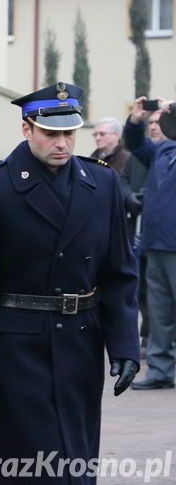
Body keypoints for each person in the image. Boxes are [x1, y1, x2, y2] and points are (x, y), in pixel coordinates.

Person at [0, 82, 140, 483]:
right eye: (50, 133)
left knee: (79, 462)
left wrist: (124, 344)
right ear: (26, 129)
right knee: (35, 468)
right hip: (19, 349)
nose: (62, 143)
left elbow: (119, 272)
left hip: (81, 343)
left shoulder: (102, 183)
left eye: (69, 133)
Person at [123, 97, 176, 390]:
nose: (157, 127)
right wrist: (135, 120)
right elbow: (134, 143)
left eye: (162, 121)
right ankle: (159, 369)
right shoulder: (161, 151)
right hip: (156, 245)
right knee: (159, 312)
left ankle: (161, 366)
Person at [120, 109, 165, 355]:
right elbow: (123, 179)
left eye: (160, 122)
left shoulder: (166, 152)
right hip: (143, 234)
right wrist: (130, 198)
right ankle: (151, 340)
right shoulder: (142, 154)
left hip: (167, 238)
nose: (155, 127)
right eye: (153, 123)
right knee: (146, 290)